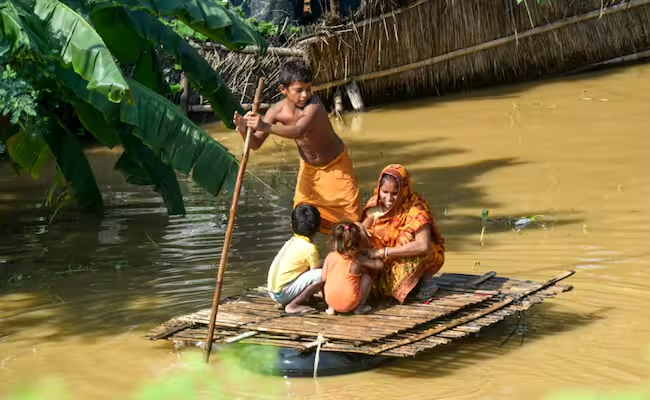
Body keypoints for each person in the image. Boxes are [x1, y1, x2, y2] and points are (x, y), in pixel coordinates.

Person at [233, 58, 360, 234]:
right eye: (299, 90)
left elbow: (299, 130)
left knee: (349, 225)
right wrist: (242, 129)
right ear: (283, 90)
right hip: (309, 170)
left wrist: (264, 126)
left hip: (336, 166)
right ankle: (307, 258)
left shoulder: (314, 105)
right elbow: (255, 144)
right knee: (301, 220)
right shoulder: (275, 112)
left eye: (308, 89)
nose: (305, 95)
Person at [361, 164, 445, 303]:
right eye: (384, 192)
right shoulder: (375, 204)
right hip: (382, 258)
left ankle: (426, 280)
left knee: (408, 237)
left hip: (410, 256)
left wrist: (384, 252)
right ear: (379, 189)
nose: (388, 198)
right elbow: (361, 231)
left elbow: (423, 245)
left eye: (394, 193)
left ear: (404, 190)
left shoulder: (416, 208)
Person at [267, 204, 324, 314]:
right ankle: (293, 305)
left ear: (292, 225)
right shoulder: (310, 249)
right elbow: (315, 274)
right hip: (282, 294)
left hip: (273, 292)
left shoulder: (292, 242)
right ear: (318, 227)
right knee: (322, 274)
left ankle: (300, 299)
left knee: (314, 269)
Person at [322, 221, 384, 315]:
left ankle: (331, 308)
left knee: (331, 280)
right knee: (367, 278)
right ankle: (360, 307)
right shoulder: (357, 259)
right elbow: (379, 265)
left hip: (330, 300)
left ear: (334, 241)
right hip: (349, 303)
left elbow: (323, 278)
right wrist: (371, 253)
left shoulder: (330, 257)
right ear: (357, 243)